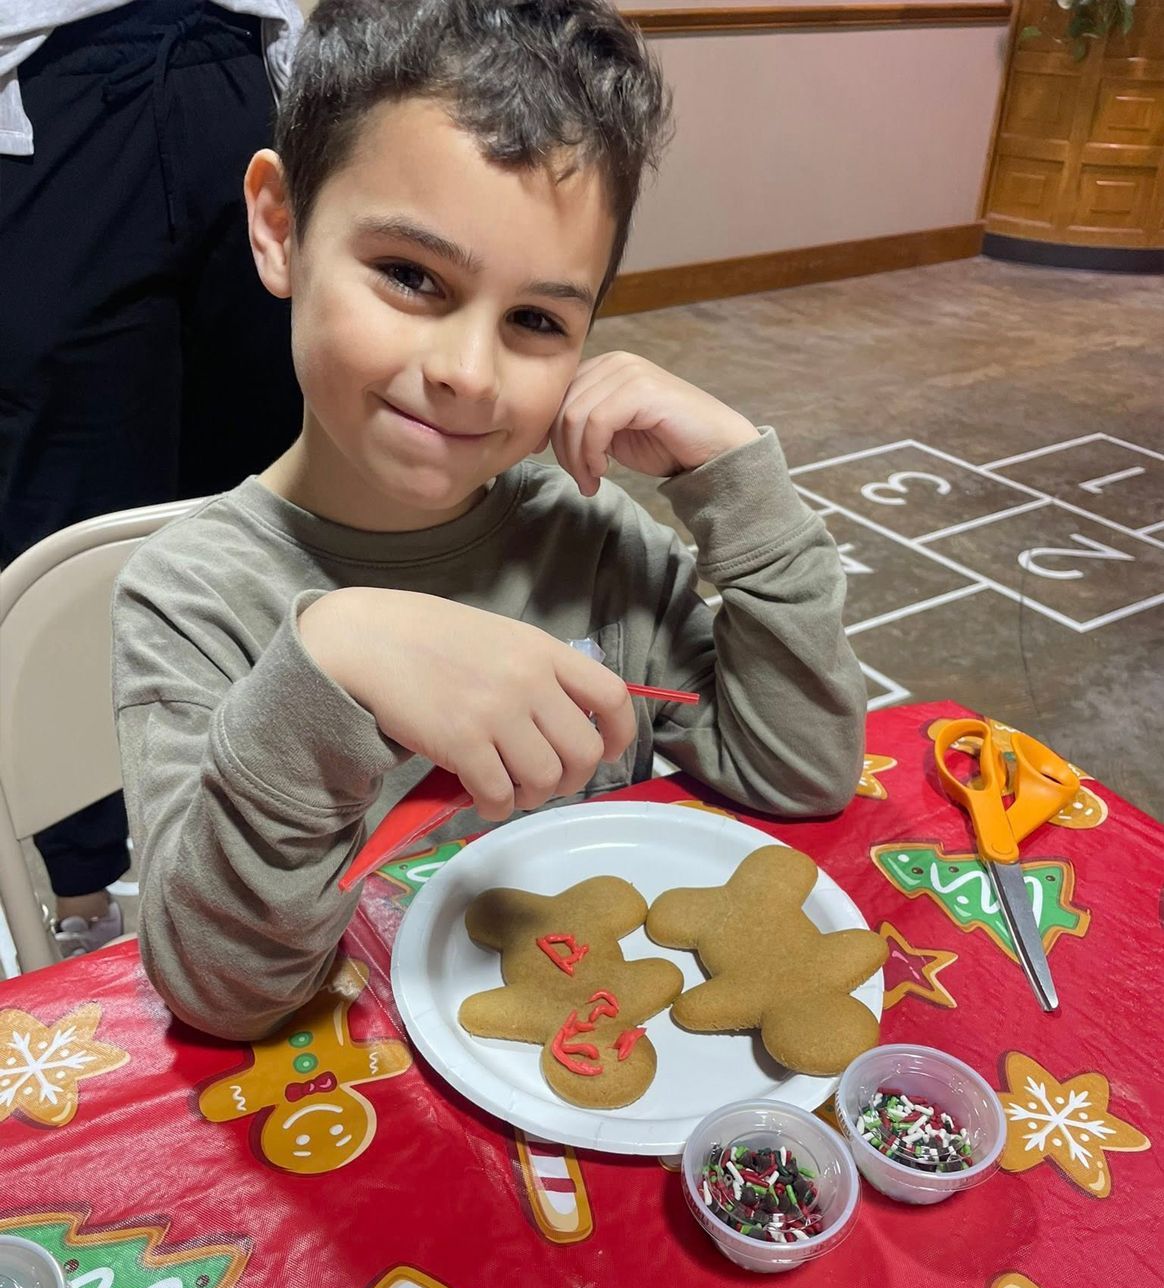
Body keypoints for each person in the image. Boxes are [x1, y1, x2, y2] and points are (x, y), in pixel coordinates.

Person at [112, 0, 866, 1042]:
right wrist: (328, 658)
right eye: (411, 276)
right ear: (281, 227)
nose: (467, 373)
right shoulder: (194, 595)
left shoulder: (588, 537)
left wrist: (736, 480)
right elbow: (221, 991)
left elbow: (799, 770)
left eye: (537, 321)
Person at [0, 0, 303, 955]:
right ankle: (80, 887)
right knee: (63, 500)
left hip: (240, 55)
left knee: (274, 486)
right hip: (47, 81)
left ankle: (278, 829)